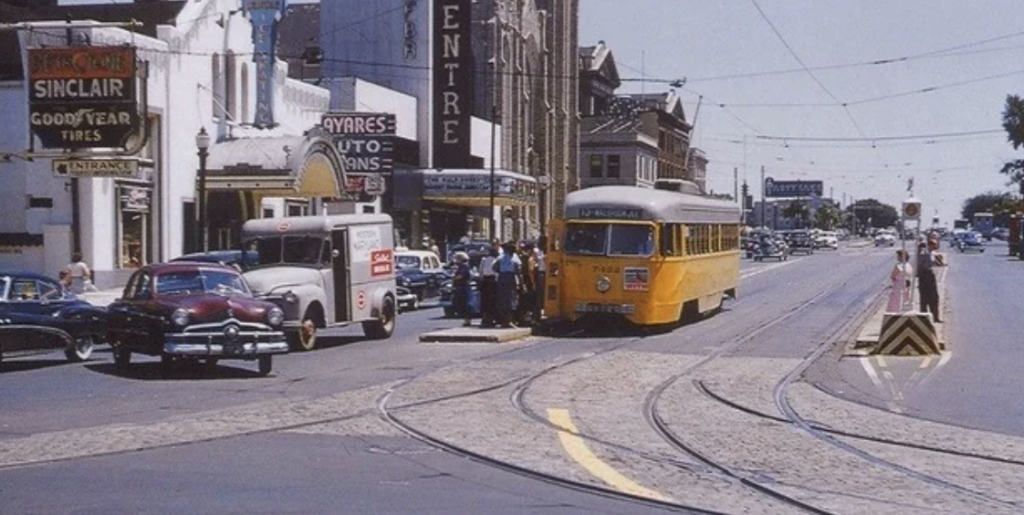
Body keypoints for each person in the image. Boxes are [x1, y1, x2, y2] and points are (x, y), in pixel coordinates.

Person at [494, 242, 522, 328]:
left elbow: (494, 268)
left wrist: (501, 272)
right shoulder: (515, 259)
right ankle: (508, 321)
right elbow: (519, 271)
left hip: (502, 278)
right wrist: (521, 283)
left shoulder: (500, 258)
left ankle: (503, 321)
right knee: (511, 299)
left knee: (502, 300)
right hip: (510, 278)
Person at [916, 240, 943, 323]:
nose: (936, 246)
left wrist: (939, 263)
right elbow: (921, 262)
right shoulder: (924, 252)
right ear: (930, 245)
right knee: (924, 297)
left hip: (930, 274)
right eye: (935, 244)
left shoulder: (932, 253)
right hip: (924, 275)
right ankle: (924, 318)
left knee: (934, 297)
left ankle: (935, 317)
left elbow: (934, 261)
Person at [478, 244, 499, 327]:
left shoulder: (484, 260)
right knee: (492, 301)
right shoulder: (496, 260)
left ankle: (485, 319)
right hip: (493, 281)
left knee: (485, 301)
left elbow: (481, 272)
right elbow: (497, 272)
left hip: (485, 281)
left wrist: (481, 280)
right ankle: (491, 319)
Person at [452, 252, 473, 327]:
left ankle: (467, 320)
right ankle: (466, 319)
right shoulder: (461, 266)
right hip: (461, 286)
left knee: (465, 303)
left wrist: (454, 278)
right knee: (462, 303)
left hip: (463, 286)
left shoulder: (464, 266)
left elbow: (462, 275)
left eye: (457, 258)